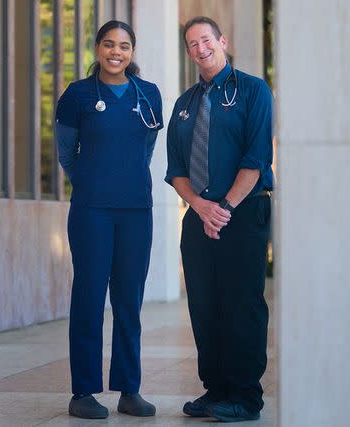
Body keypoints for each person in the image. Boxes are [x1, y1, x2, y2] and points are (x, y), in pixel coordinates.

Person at [165, 16, 274, 423]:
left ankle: (245, 397)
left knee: (241, 304)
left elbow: (256, 157)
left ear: (222, 41)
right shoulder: (184, 105)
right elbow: (176, 167)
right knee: (204, 304)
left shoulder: (252, 90)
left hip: (243, 212)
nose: (200, 48)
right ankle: (216, 390)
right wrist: (199, 206)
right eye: (192, 44)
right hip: (199, 216)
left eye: (206, 40)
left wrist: (223, 207)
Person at [55, 20, 163, 420]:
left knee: (129, 302)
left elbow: (145, 149)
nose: (116, 52)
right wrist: (93, 181)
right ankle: (82, 391)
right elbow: (68, 154)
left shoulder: (149, 94)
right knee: (88, 298)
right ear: (97, 49)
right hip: (92, 211)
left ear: (132, 52)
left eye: (124, 46)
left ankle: (129, 390)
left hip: (136, 210)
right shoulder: (78, 95)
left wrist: (123, 179)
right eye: (108, 45)